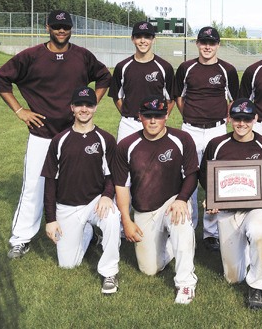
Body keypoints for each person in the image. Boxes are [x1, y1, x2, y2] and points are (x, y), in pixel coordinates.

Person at [0, 10, 112, 259]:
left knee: (82, 184)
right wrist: (20, 110)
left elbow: (103, 77)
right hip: (42, 133)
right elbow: (0, 80)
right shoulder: (32, 56)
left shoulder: (82, 56)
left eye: (65, 26)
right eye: (56, 26)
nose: (61, 30)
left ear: (71, 28)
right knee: (34, 186)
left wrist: (88, 106)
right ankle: (21, 238)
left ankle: (93, 229)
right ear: (47, 27)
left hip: (73, 134)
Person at [112, 95, 199, 304]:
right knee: (149, 270)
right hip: (144, 210)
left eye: (158, 116)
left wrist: (182, 199)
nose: (153, 121)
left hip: (173, 201)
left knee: (181, 223)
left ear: (166, 116)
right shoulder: (126, 145)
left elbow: (192, 174)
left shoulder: (182, 139)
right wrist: (126, 220)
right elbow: (121, 186)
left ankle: (186, 283)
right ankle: (172, 246)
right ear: (140, 117)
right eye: (148, 116)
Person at [199, 98, 262, 309]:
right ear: (229, 118)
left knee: (260, 231)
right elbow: (204, 176)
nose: (241, 123)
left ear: (255, 118)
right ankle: (246, 251)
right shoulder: (216, 145)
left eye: (246, 118)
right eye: (236, 118)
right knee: (233, 278)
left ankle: (258, 287)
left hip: (255, 209)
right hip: (227, 212)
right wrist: (212, 198)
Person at [41, 86, 121, 294]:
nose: (84, 109)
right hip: (67, 207)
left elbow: (112, 174)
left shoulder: (105, 139)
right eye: (79, 105)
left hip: (95, 202)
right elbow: (50, 181)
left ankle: (109, 272)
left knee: (112, 216)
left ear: (95, 108)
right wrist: (50, 219)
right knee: (68, 265)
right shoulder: (59, 141)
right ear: (72, 108)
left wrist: (107, 195)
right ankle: (88, 232)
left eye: (89, 105)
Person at [175, 26, 239, 251]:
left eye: (212, 43)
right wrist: (191, 117)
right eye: (204, 42)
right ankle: (188, 227)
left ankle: (211, 232)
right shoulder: (186, 67)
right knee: (189, 175)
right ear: (197, 44)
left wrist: (223, 119)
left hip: (216, 129)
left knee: (215, 179)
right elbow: (180, 98)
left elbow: (234, 100)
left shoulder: (227, 69)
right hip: (190, 129)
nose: (207, 47)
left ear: (218, 45)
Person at [109, 21, 175, 143]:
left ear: (153, 39)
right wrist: (127, 113)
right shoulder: (122, 67)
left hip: (154, 122)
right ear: (132, 39)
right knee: (124, 160)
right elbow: (117, 96)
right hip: (129, 124)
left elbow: (170, 99)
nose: (143, 40)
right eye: (138, 36)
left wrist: (161, 118)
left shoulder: (165, 67)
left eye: (147, 37)